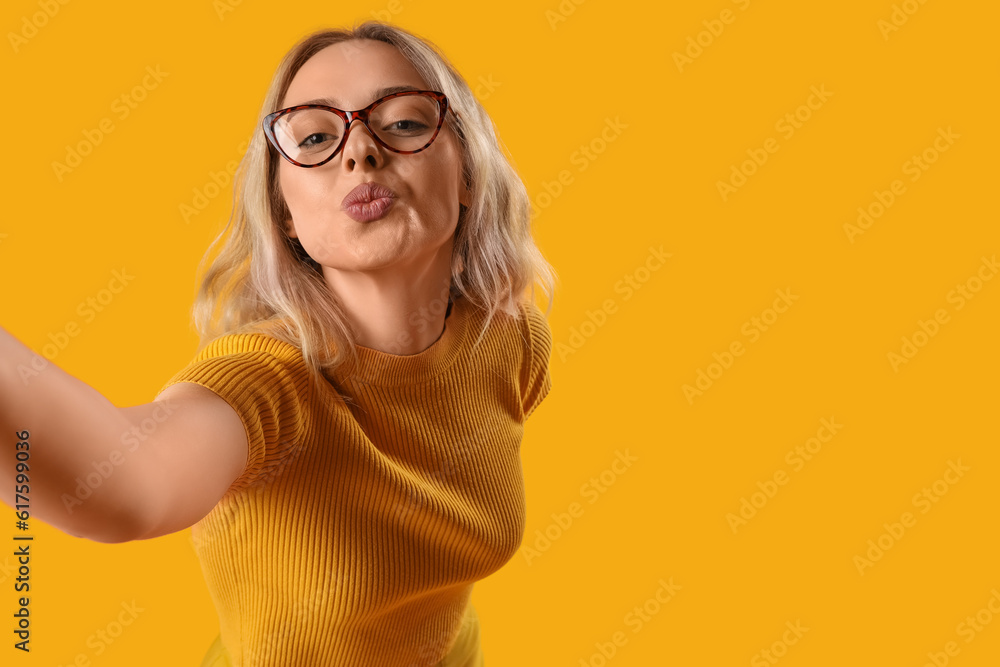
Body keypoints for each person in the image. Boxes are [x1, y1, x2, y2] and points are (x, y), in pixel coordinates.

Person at [0, 19, 556, 666]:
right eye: (316, 137)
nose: (360, 152)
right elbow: (123, 489)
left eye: (404, 123)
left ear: (466, 173)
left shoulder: (510, 338)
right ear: (287, 215)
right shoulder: (268, 382)